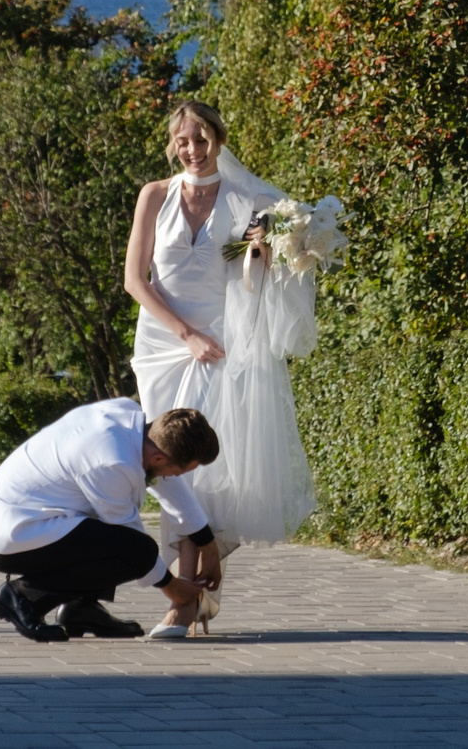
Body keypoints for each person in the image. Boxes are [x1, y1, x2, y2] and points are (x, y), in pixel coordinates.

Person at [123, 100, 320, 617]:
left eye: (202, 138)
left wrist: (263, 250)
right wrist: (184, 333)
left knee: (194, 467)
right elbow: (134, 281)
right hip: (164, 345)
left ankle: (185, 598)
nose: (193, 149)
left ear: (219, 138)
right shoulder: (155, 195)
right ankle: (198, 583)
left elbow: (253, 282)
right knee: (166, 460)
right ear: (173, 144)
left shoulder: (247, 198)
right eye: (183, 140)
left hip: (221, 345)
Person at [0, 400, 221, 642]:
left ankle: (80, 609)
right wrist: (174, 589)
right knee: (137, 550)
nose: (176, 477)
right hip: (9, 537)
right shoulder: (111, 461)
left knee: (114, 540)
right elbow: (131, 544)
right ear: (159, 458)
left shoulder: (128, 418)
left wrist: (206, 543)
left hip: (15, 517)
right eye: (180, 471)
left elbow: (165, 483)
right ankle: (23, 596)